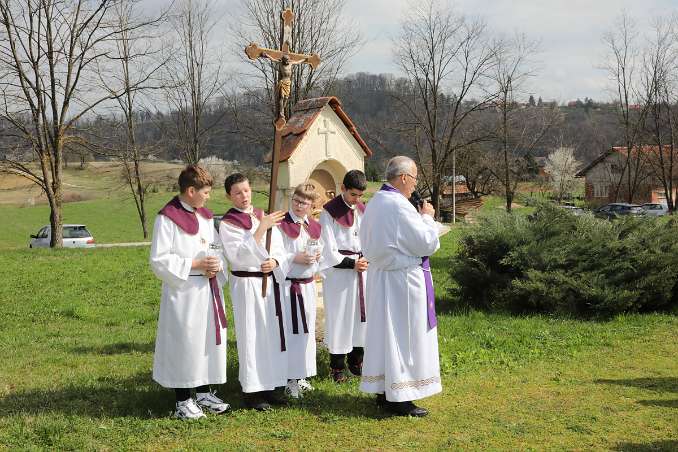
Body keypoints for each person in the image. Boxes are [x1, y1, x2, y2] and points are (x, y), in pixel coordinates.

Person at [359, 156, 441, 417]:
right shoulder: (399, 205)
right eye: (415, 178)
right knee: (404, 336)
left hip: (381, 276)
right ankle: (401, 397)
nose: (415, 185)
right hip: (402, 280)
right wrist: (427, 218)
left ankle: (384, 391)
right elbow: (426, 243)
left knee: (386, 335)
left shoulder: (375, 202)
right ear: (404, 177)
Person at [149, 164, 230, 420]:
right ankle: (183, 400)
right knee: (186, 344)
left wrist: (217, 264)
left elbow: (216, 247)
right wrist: (195, 264)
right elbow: (159, 260)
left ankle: (204, 393)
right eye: (205, 191)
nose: (208, 196)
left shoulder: (205, 216)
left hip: (207, 287)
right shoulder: (167, 218)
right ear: (191, 190)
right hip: (183, 291)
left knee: (206, 342)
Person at [218, 173, 288, 411]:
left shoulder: (261, 215)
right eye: (238, 192)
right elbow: (238, 255)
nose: (244, 196)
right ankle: (253, 392)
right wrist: (262, 228)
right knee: (252, 335)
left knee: (269, 334)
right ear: (229, 196)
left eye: (246, 190)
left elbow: (279, 245)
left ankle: (271, 385)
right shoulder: (228, 223)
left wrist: (276, 261)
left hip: (268, 282)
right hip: (247, 284)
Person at [319, 170, 369, 383]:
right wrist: (351, 264)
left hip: (361, 270)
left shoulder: (361, 209)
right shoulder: (329, 213)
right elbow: (328, 250)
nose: (356, 200)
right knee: (340, 318)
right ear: (342, 189)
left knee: (360, 316)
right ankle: (337, 367)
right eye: (353, 195)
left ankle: (356, 361)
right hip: (340, 273)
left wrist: (366, 257)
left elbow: (367, 237)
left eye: (359, 195)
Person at [276, 183, 324, 398]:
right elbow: (275, 252)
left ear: (312, 205)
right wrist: (295, 257)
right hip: (289, 286)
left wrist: (316, 258)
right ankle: (289, 378)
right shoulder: (281, 225)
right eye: (296, 200)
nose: (299, 205)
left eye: (304, 202)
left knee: (306, 331)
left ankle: (301, 374)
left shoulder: (312, 226)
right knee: (291, 332)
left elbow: (318, 249)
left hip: (307, 285)